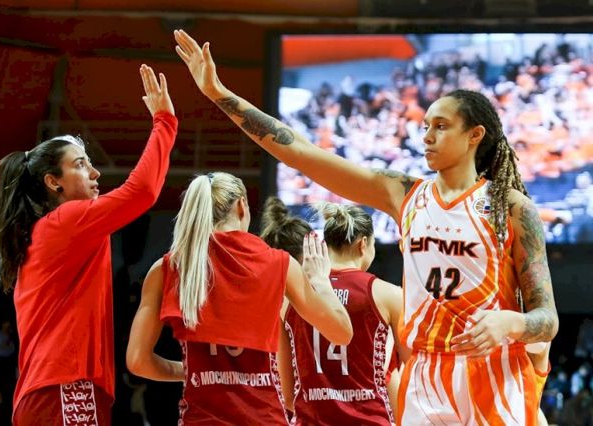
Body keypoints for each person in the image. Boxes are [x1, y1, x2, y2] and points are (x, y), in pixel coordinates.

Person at [174, 29, 559, 425]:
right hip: (425, 376)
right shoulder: (404, 194)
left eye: (441, 126)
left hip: (493, 370)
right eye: (426, 125)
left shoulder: (513, 208)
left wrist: (513, 322)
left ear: (475, 135)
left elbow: (547, 318)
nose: (426, 136)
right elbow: (300, 152)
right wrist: (218, 93)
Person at [0, 64, 178, 425]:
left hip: (51, 393)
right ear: (53, 182)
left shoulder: (52, 231)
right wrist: (165, 122)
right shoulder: (67, 221)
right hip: (66, 388)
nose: (95, 173)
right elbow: (142, 191)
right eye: (80, 165)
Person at [126, 172, 352, 425]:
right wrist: (321, 281)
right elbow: (341, 332)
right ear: (241, 205)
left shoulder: (167, 268)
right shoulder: (279, 264)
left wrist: (190, 371)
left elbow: (138, 361)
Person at [260, 197, 405, 424]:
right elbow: (411, 372)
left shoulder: (290, 299)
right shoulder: (389, 294)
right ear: (363, 244)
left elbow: (287, 395)